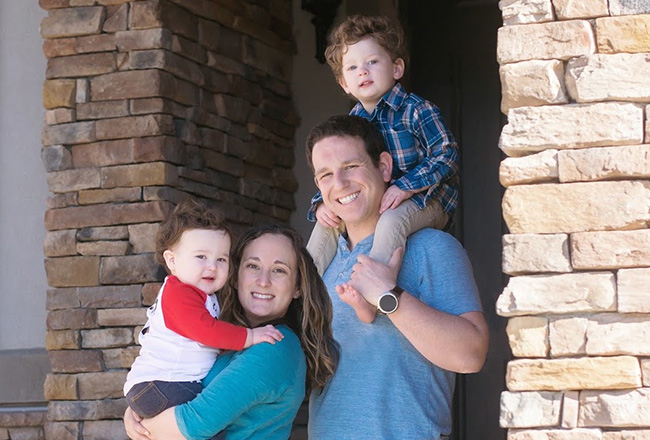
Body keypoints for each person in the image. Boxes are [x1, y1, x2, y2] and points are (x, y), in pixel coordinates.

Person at [306, 115, 489, 440]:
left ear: (385, 167)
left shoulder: (432, 247)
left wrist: (391, 298)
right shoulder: (321, 263)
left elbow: (471, 355)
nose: (340, 183)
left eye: (351, 166)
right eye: (326, 175)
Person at [307, 15, 460, 323]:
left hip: (427, 200)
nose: (362, 71)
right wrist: (322, 202)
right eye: (352, 68)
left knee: (390, 222)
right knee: (325, 223)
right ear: (343, 83)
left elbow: (447, 153)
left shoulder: (416, 109)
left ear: (397, 68)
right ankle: (301, 288)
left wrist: (406, 186)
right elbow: (337, 171)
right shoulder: (352, 123)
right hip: (384, 201)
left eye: (373, 62)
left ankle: (371, 294)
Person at [124, 224, 338, 440]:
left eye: (279, 270)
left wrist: (141, 421)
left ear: (297, 287)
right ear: (235, 277)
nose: (263, 281)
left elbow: (194, 423)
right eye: (253, 266)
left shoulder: (275, 346)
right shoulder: (225, 336)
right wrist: (138, 406)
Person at [123, 200, 284, 419]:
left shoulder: (203, 296)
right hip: (161, 384)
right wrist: (251, 336)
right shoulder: (178, 294)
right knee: (209, 421)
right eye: (201, 256)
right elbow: (207, 332)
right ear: (172, 260)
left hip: (163, 385)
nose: (212, 266)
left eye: (221, 259)